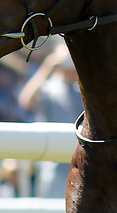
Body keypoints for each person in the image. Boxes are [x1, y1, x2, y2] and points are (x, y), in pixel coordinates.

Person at [19, 43, 82, 198]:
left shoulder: (83, 88)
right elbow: (26, 101)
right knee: (51, 211)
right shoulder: (47, 88)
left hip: (82, 161)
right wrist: (48, 67)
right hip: (53, 166)